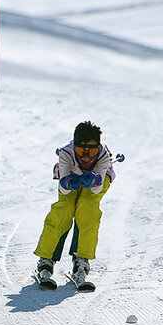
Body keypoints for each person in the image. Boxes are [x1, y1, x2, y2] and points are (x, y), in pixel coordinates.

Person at [34, 121, 116, 286]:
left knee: (88, 208)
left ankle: (82, 259)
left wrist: (94, 180)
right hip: (72, 177)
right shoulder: (66, 154)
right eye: (81, 150)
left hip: (97, 179)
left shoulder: (103, 156)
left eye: (91, 151)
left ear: (98, 148)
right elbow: (64, 192)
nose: (86, 156)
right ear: (75, 146)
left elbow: (95, 191)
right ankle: (46, 259)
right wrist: (67, 183)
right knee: (64, 208)